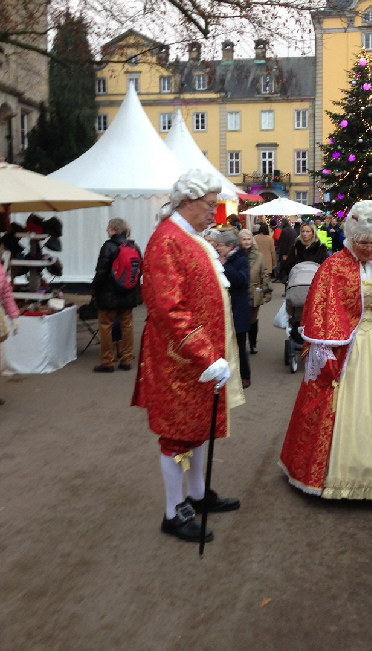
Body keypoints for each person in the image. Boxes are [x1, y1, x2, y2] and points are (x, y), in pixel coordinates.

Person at [279, 200, 372, 500]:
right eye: (363, 243)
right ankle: (333, 477)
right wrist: (322, 350)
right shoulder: (333, 266)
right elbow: (317, 312)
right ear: (351, 235)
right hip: (345, 348)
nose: (369, 249)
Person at [131, 169, 244, 543]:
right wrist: (204, 354)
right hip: (180, 360)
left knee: (197, 428)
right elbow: (168, 308)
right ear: (187, 202)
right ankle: (173, 511)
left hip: (197, 360)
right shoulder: (166, 241)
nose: (216, 211)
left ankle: (195, 495)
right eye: (210, 205)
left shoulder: (188, 237)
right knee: (176, 436)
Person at [91, 218, 142, 373]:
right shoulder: (134, 246)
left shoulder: (108, 246)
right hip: (128, 293)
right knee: (127, 326)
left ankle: (107, 361)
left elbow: (101, 272)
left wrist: (94, 289)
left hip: (109, 294)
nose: (107, 230)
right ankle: (126, 359)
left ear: (113, 229)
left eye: (108, 228)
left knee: (106, 326)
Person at [215, 230, 251, 387]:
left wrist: (225, 267)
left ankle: (245, 376)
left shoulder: (241, 260)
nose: (217, 248)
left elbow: (241, 280)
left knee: (240, 345)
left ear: (230, 246)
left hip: (238, 308)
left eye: (220, 245)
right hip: (223, 308)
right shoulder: (219, 259)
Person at [237, 229, 272, 355]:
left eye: (248, 239)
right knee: (240, 319)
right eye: (244, 239)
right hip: (239, 292)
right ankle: (240, 344)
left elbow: (264, 273)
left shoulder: (259, 256)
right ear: (239, 241)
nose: (247, 242)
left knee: (252, 319)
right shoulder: (236, 255)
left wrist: (267, 290)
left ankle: (252, 343)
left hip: (255, 291)